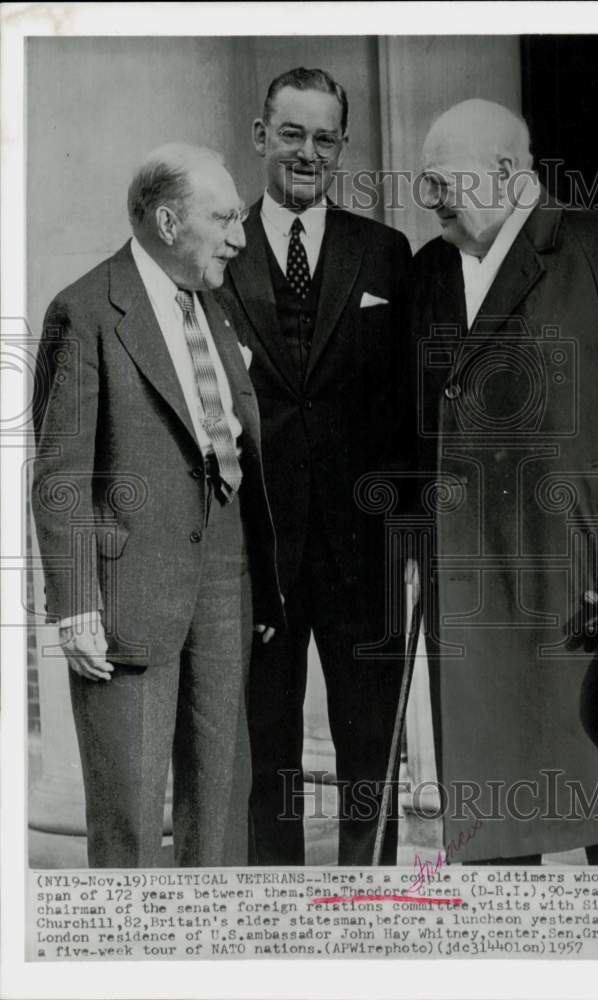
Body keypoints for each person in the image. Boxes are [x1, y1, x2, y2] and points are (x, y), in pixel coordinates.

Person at [407, 99, 598, 864]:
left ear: (505, 173)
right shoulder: (429, 271)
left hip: (584, 588)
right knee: (490, 821)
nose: (429, 200)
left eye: (440, 180)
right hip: (472, 591)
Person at [31, 143, 284, 867]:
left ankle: (210, 957)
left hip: (224, 575)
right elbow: (59, 475)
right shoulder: (83, 311)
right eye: (224, 218)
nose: (239, 236)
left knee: (221, 793)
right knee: (131, 813)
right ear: (169, 222)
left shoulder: (215, 305)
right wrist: (75, 604)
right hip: (127, 594)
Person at [218, 68, 412, 865]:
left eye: (323, 137)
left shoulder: (385, 252)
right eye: (291, 133)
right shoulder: (217, 251)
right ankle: (278, 912)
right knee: (266, 742)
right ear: (262, 137)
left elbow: (406, 405)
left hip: (360, 552)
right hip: (255, 548)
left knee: (372, 739)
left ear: (341, 148)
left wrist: (405, 534)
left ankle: (370, 897)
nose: (306, 152)